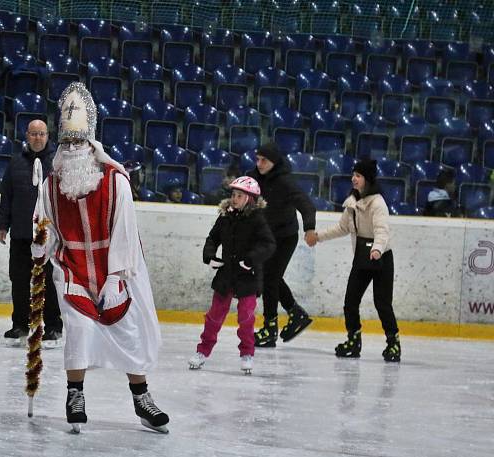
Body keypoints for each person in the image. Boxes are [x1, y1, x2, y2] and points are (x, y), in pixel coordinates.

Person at [33, 83, 170, 433]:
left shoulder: (115, 181)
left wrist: (115, 277)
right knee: (77, 330)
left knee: (127, 330)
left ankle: (142, 397)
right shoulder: (50, 184)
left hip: (112, 270)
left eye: (79, 142)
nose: (73, 149)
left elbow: (125, 231)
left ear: (92, 145)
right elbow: (43, 225)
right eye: (67, 143)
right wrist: (39, 245)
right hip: (72, 269)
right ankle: (74, 394)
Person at [308, 159, 401, 362]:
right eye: (353, 175)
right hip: (362, 258)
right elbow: (342, 228)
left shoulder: (377, 203)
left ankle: (393, 343)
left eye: (358, 175)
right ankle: (354, 340)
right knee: (350, 301)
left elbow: (382, 231)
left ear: (367, 179)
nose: (353, 179)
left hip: (381, 258)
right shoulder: (352, 203)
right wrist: (318, 236)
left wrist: (377, 249)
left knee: (382, 303)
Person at [188, 176, 276, 374]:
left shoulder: (257, 218)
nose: (234, 198)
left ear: (250, 199)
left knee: (246, 317)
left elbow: (268, 244)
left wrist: (251, 260)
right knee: (214, 316)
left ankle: (247, 353)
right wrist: (209, 256)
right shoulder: (225, 216)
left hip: (248, 275)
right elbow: (213, 238)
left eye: (239, 195)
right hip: (227, 274)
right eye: (233, 194)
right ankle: (203, 351)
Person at [0, 120, 62, 346]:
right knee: (19, 280)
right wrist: (2, 225)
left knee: (50, 283)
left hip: (49, 236)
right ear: (26, 135)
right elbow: (7, 196)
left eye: (41, 134)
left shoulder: (57, 163)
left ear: (47, 135)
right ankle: (20, 325)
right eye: (33, 133)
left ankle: (53, 326)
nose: (37, 138)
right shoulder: (15, 163)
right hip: (22, 234)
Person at [248, 142, 317, 347]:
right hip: (266, 236)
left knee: (270, 279)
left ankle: (270, 329)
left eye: (264, 160)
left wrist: (310, 228)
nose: (259, 164)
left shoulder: (285, 182)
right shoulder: (252, 177)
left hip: (285, 237)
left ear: (274, 162)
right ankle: (296, 314)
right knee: (272, 278)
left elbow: (306, 205)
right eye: (257, 159)